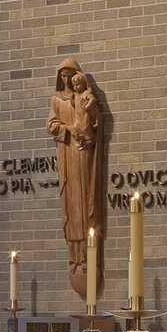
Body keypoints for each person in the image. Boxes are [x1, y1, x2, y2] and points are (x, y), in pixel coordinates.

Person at [46, 57, 104, 299]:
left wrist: (91, 112)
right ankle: (75, 258)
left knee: (85, 204)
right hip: (67, 157)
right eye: (63, 76)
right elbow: (51, 124)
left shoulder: (86, 98)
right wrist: (68, 130)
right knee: (71, 205)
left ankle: (89, 257)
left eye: (70, 75)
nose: (67, 80)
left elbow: (98, 123)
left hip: (84, 157)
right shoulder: (57, 100)